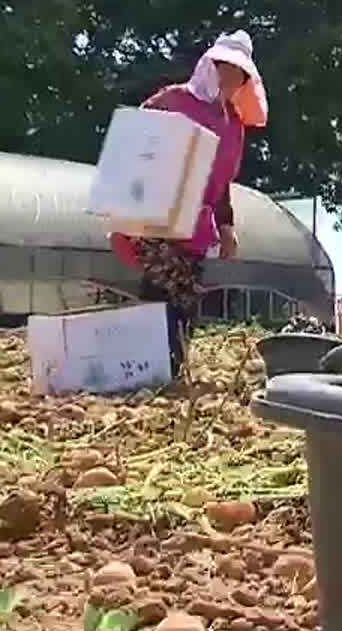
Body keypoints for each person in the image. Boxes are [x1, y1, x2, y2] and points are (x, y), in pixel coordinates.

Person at [110, 31, 268, 379]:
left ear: (244, 80)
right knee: (165, 286)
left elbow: (221, 181)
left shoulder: (233, 125)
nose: (229, 78)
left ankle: (167, 369)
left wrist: (226, 227)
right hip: (155, 211)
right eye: (223, 68)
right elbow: (139, 139)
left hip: (195, 224)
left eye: (237, 74)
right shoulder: (174, 100)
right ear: (209, 66)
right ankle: (150, 368)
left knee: (184, 295)